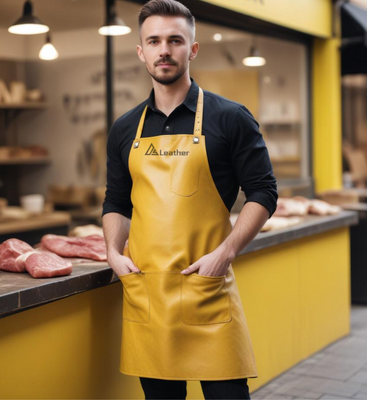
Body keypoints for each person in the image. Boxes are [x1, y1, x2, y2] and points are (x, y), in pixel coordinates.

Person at [101, 0, 278, 399]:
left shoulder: (230, 117)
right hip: (149, 294)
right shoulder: (125, 128)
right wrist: (113, 252)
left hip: (207, 288)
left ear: (192, 49)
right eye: (154, 40)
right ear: (141, 51)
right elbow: (116, 201)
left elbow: (264, 192)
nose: (164, 49)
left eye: (175, 40)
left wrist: (226, 253)